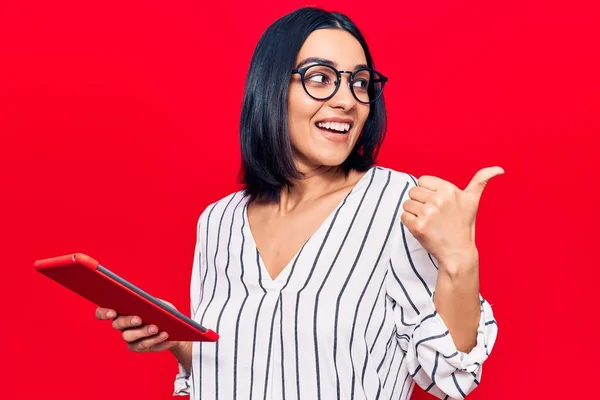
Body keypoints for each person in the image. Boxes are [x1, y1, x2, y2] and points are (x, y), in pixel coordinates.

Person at [96, 7, 501, 400]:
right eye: (320, 78)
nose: (347, 100)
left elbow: (452, 379)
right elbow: (241, 364)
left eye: (360, 83)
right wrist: (178, 338)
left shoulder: (399, 204)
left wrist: (460, 261)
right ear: (272, 87)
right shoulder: (218, 221)